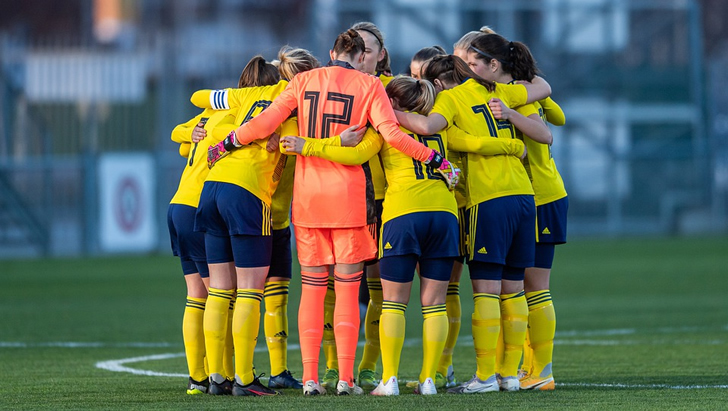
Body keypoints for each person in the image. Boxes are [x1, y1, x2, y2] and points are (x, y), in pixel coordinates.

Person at [208, 29, 457, 396]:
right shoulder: (370, 85)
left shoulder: (304, 80)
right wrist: (436, 159)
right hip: (349, 201)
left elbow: (264, 124)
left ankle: (310, 379)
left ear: (331, 52)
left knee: (311, 290)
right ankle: (344, 378)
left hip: (308, 200)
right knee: (346, 290)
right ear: (360, 57)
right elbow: (393, 135)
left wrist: (228, 141)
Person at [395, 54, 550, 394]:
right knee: (514, 289)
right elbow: (548, 106)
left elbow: (432, 129)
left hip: (486, 199)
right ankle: (509, 374)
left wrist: (388, 112)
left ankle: (482, 378)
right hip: (524, 196)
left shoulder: (450, 100)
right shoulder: (497, 92)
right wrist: (513, 145)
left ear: (437, 84)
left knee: (484, 290)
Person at [193, 51, 319, 397]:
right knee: (250, 290)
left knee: (219, 290)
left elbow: (199, 96)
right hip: (248, 193)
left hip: (212, 188)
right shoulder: (292, 107)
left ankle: (217, 378)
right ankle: (245, 380)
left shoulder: (246, 95)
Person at [467, 33, 567, 391]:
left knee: (533, 287)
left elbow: (547, 132)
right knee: (519, 287)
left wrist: (512, 111)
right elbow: (559, 114)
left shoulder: (512, 97)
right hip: (537, 193)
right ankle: (522, 368)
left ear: (494, 66)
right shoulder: (522, 90)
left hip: (538, 196)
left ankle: (541, 371)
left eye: (471, 62)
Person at [169, 105, 235, 395]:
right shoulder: (239, 116)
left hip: (177, 205)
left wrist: (190, 135)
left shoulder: (210, 113)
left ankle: (198, 378)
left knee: (197, 295)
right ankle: (223, 375)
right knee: (222, 295)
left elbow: (178, 135)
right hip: (198, 208)